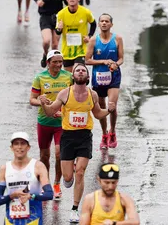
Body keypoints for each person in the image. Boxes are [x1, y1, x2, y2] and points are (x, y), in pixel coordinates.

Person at [39, 64, 115, 223]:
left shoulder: (92, 95)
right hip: (67, 137)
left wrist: (109, 110)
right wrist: (43, 103)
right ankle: (67, 178)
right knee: (68, 177)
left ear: (87, 77)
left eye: (83, 71)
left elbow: (98, 114)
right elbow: (51, 111)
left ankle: (74, 209)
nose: (80, 72)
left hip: (84, 137)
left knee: (80, 172)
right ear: (73, 76)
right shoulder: (65, 93)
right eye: (77, 70)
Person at [29, 50, 72, 200]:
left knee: (59, 154)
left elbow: (74, 96)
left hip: (62, 123)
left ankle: (56, 184)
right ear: (48, 63)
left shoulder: (68, 77)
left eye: (61, 62)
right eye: (55, 62)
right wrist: (40, 101)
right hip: (44, 121)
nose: (59, 65)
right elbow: (32, 99)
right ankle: (45, 184)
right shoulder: (40, 78)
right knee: (44, 156)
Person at [85, 13, 123, 150]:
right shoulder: (94, 41)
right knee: (101, 107)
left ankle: (112, 131)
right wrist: (103, 61)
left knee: (112, 105)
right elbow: (87, 60)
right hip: (98, 77)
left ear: (111, 24)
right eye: (102, 21)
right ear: (99, 24)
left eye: (107, 21)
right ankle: (104, 134)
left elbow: (121, 58)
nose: (104, 23)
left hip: (114, 77)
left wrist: (116, 64)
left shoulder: (117, 39)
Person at [0, 132, 53, 225]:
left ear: (28, 147)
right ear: (11, 148)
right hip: (10, 221)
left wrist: (31, 196)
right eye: (16, 143)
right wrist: (11, 196)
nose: (19, 147)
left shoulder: (38, 166)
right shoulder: (5, 169)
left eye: (23, 143)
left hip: (33, 221)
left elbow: (49, 194)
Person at [32, 0, 69, 68]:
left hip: (58, 17)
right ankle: (45, 54)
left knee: (55, 44)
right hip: (45, 16)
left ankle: (53, 66)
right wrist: (38, 1)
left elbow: (69, 2)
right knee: (46, 41)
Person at [56, 0, 97, 72]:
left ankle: (84, 82)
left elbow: (93, 24)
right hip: (67, 51)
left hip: (81, 50)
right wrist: (59, 29)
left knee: (77, 72)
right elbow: (57, 31)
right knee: (70, 78)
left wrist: (89, 36)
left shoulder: (85, 12)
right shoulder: (61, 14)